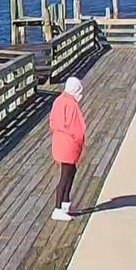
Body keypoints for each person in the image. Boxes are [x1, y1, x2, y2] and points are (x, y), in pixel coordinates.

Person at [49, 76, 87, 221]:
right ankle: (58, 208)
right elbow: (74, 126)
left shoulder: (60, 100)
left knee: (71, 171)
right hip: (68, 143)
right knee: (65, 175)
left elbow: (53, 122)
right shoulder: (70, 104)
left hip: (61, 141)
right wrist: (78, 139)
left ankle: (65, 203)